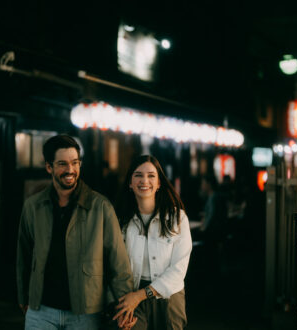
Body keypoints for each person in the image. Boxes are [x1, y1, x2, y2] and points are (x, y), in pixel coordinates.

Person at [16, 134, 134, 329]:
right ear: (49, 167)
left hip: (86, 312)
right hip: (41, 311)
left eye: (75, 163)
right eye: (62, 163)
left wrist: (125, 308)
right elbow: (24, 256)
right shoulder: (33, 206)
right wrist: (23, 297)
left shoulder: (101, 207)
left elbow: (118, 263)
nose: (70, 170)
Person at [113, 155, 192, 330]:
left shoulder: (177, 218)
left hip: (169, 295)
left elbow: (179, 269)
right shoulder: (120, 221)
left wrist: (142, 295)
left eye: (151, 175)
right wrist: (124, 301)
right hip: (131, 295)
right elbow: (114, 265)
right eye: (138, 175)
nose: (144, 181)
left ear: (159, 184)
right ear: (130, 183)